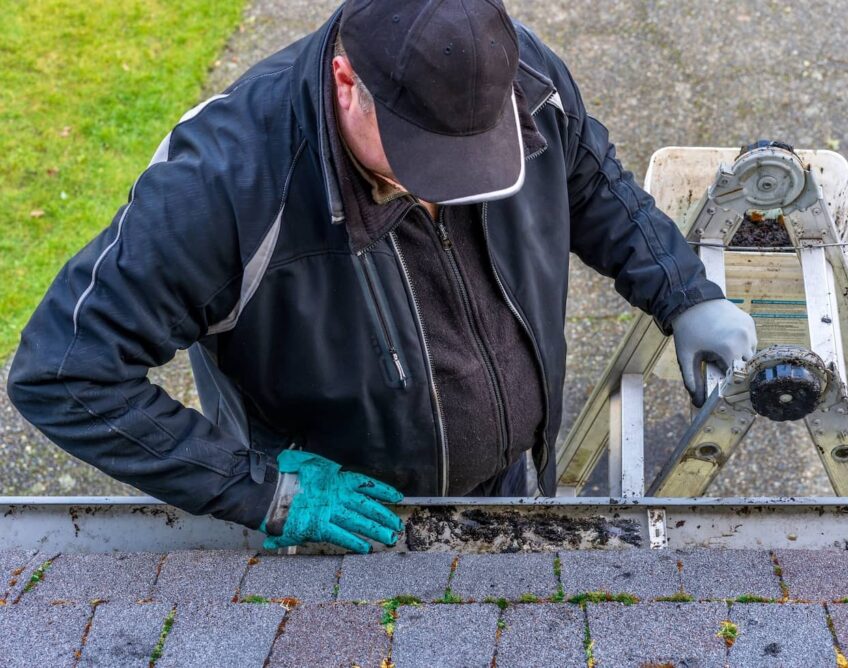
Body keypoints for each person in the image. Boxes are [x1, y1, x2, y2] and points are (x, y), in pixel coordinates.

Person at [7, 0, 756, 553]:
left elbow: (587, 181)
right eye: (422, 159)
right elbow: (64, 372)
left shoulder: (513, 74)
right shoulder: (222, 187)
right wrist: (263, 491)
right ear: (345, 81)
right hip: (341, 521)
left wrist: (683, 292)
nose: (444, 193)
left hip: (503, 487)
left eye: (473, 165)